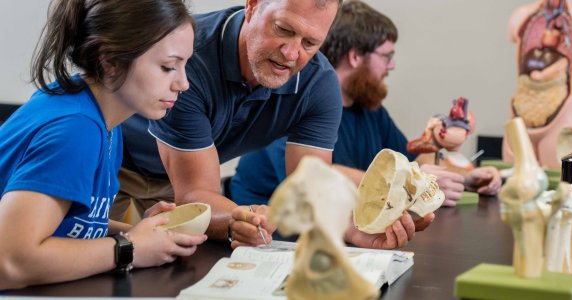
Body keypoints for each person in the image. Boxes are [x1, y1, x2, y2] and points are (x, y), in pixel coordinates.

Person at [111, 0, 429, 249]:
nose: (292, 54)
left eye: (310, 42)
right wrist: (241, 217)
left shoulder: (318, 83)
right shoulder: (192, 57)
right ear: (252, 5)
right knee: (87, 268)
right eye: (283, 29)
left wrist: (351, 228)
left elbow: (311, 185)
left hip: (176, 179)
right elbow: (196, 190)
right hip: (112, 161)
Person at [0, 0, 206, 289]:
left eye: (185, 65)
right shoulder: (75, 128)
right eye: (168, 67)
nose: (183, 83)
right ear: (109, 60)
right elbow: (10, 261)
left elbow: (66, 221)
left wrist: (143, 233)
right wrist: (129, 247)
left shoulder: (103, 118)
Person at [230, 1, 501, 215]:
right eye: (387, 56)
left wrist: (462, 178)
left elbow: (413, 163)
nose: (392, 66)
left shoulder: (370, 110)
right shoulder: (293, 101)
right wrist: (409, 182)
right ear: (355, 56)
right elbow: (314, 176)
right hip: (270, 242)